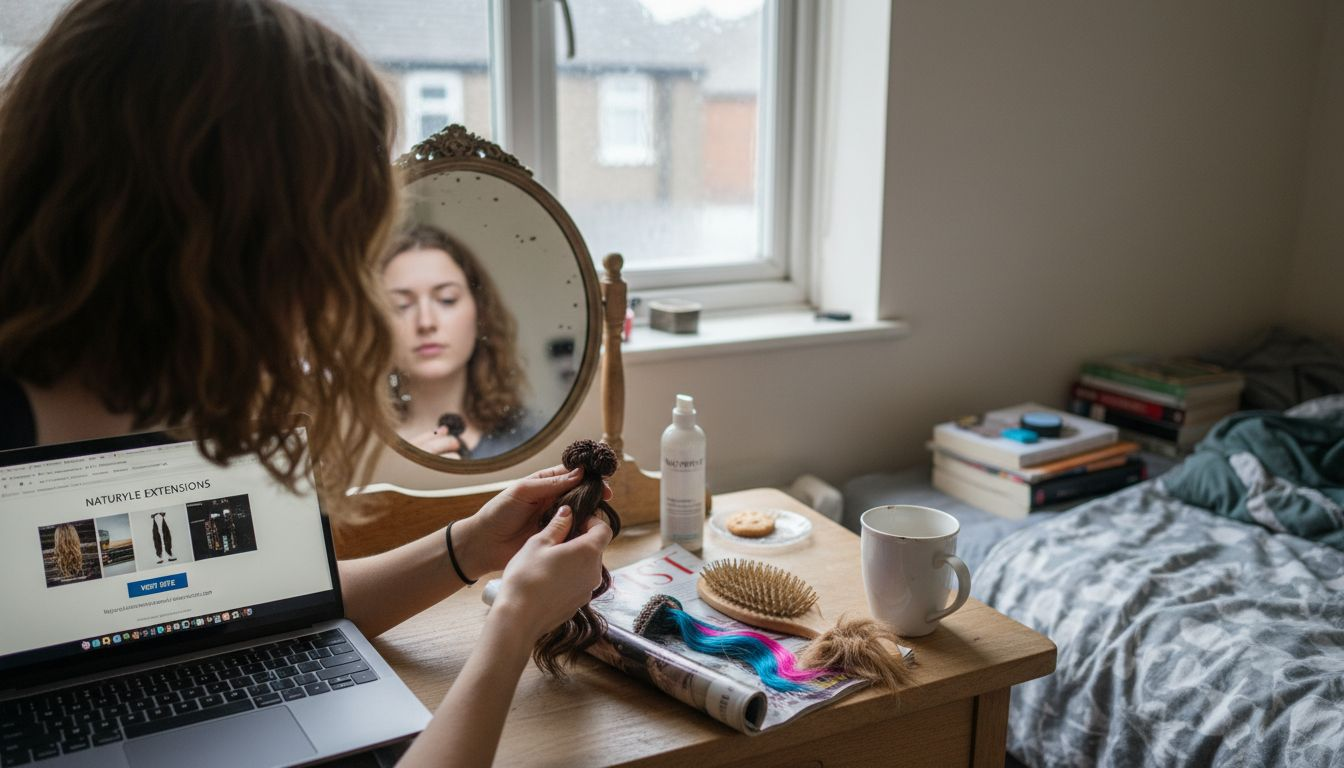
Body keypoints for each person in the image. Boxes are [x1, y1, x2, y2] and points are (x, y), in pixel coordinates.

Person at [0, 1, 611, 766]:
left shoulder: (176, 378)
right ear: (226, 225)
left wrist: (471, 547)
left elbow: (269, 606)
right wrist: (512, 625)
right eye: (330, 233)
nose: (337, 282)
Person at [383, 224, 534, 459]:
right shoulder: (356, 450)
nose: (426, 322)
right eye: (401, 305)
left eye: (447, 299)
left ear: (480, 312)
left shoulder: (534, 439)